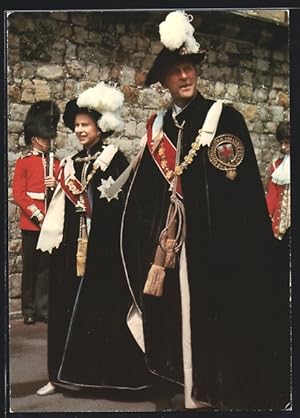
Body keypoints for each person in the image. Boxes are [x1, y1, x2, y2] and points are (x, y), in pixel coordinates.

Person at [121, 11, 290, 410]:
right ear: (163, 80)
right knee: (180, 320)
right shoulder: (159, 126)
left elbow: (239, 191)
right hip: (175, 248)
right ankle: (190, 388)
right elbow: (145, 192)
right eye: (175, 71)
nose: (185, 77)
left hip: (216, 250)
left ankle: (213, 391)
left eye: (189, 68)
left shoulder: (222, 117)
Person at [35, 82, 153, 396]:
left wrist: (92, 207)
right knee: (64, 306)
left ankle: (106, 379)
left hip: (105, 252)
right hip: (72, 247)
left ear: (100, 127)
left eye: (85, 125)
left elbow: (127, 208)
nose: (80, 130)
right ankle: (58, 375)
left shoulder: (115, 161)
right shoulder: (71, 163)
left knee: (101, 312)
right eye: (76, 126)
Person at [12, 100, 60, 325]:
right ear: (34, 138)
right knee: (30, 266)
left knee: (45, 267)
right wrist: (37, 215)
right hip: (31, 223)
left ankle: (43, 308)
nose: (48, 142)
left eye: (50, 137)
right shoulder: (24, 162)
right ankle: (28, 309)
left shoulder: (56, 163)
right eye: (44, 138)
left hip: (50, 221)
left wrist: (56, 181)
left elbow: (64, 190)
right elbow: (19, 195)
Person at [266, 121, 290, 243]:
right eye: (282, 143)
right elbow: (272, 197)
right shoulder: (277, 166)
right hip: (279, 227)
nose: (283, 147)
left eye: (287, 142)